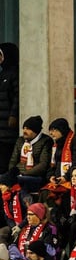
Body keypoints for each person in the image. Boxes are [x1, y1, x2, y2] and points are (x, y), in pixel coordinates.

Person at [8, 116, 51, 193]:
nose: (24, 131)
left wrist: (24, 174)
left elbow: (43, 164)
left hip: (36, 177)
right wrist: (12, 173)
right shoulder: (20, 140)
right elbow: (13, 160)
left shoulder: (46, 141)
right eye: (24, 128)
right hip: (18, 175)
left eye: (28, 129)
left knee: (18, 181)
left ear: (35, 131)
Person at [0, 42, 19, 173]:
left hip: (8, 128)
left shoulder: (14, 74)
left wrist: (13, 115)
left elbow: (18, 96)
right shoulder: (2, 74)